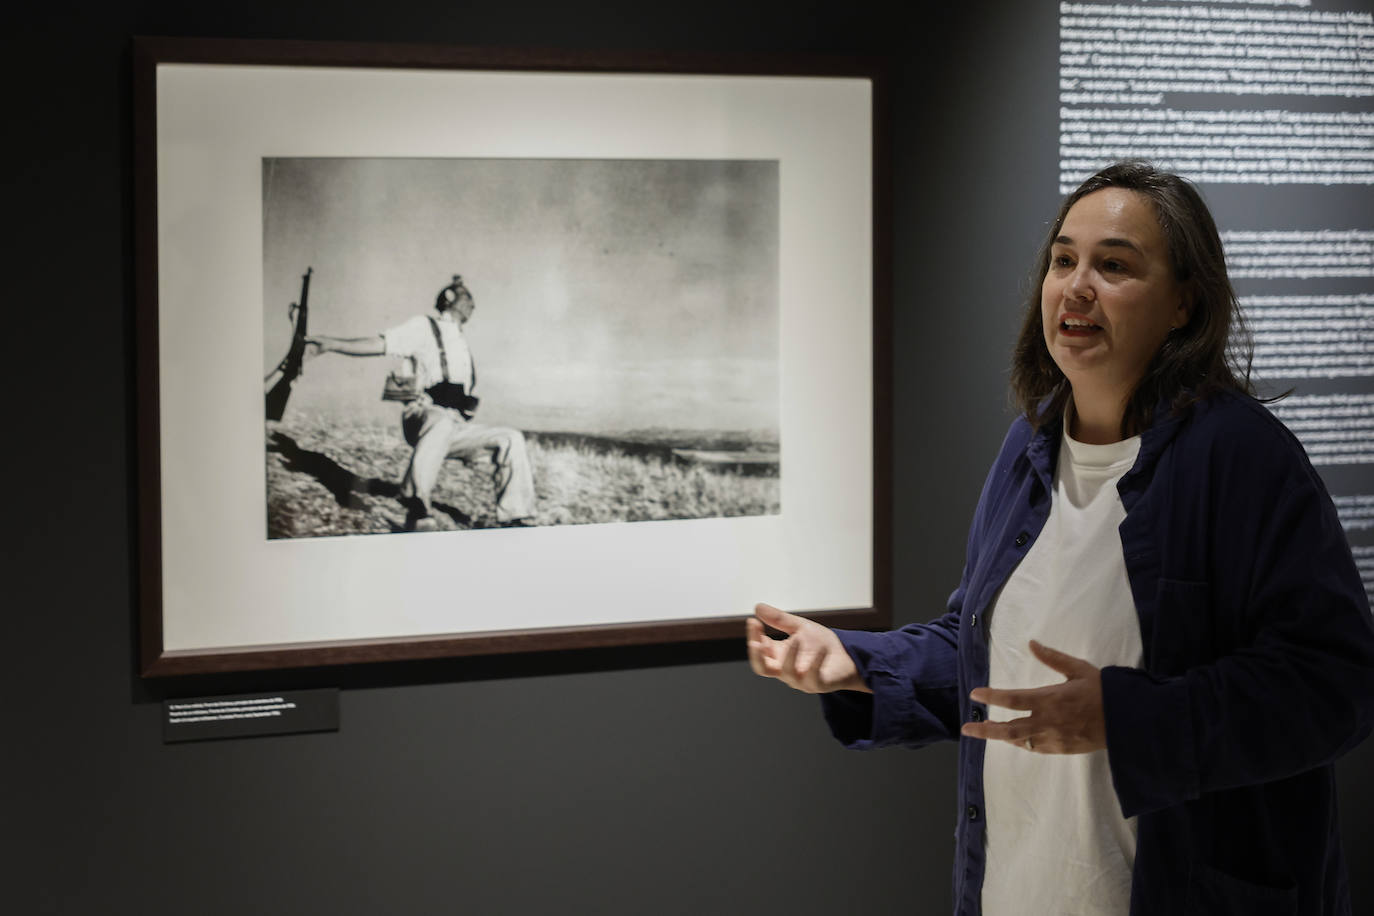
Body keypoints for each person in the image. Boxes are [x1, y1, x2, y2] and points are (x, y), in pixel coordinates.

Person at [747, 161, 1374, 914]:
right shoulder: (1030, 444)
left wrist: (1129, 717)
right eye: (1063, 260)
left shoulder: (1242, 458)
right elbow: (985, 657)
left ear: (1184, 304)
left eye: (1113, 265)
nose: (1076, 286)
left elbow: (1336, 686)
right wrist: (854, 659)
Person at [307, 274, 536, 530]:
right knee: (441, 422)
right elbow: (379, 344)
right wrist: (331, 344)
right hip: (424, 415)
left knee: (510, 438)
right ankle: (415, 501)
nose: (473, 305)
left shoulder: (461, 343)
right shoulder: (424, 326)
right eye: (468, 298)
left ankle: (516, 517)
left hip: (453, 425)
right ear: (450, 299)